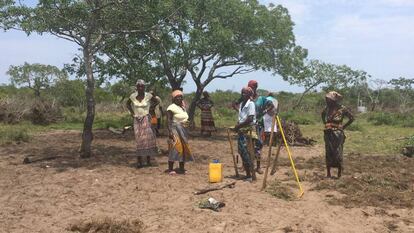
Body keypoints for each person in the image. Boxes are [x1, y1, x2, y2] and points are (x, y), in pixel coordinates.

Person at [126, 79, 159, 168]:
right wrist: (132, 114)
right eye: (139, 86)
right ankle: (139, 161)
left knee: (147, 140)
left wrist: (151, 109)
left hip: (146, 119)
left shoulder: (148, 95)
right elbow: (128, 104)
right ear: (136, 87)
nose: (140, 87)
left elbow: (157, 101)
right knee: (139, 140)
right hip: (137, 120)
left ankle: (148, 161)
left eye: (142, 86)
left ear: (144, 87)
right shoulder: (132, 96)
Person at [321, 91, 354, 178]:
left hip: (338, 133)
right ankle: (328, 173)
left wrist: (344, 126)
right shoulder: (327, 108)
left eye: (329, 99)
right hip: (328, 132)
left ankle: (339, 173)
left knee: (338, 151)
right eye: (327, 99)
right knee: (328, 151)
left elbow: (352, 118)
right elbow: (322, 114)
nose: (327, 101)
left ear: (334, 100)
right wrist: (325, 123)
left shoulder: (342, 108)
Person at [166, 90, 194, 175]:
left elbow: (185, 119)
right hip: (175, 129)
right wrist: (170, 132)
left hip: (183, 129)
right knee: (175, 147)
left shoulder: (183, 107)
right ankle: (170, 169)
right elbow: (168, 120)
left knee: (184, 148)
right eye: (177, 97)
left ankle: (182, 168)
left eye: (180, 96)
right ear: (174, 98)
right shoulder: (171, 107)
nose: (179, 98)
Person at [233, 87, 257, 181]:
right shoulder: (242, 104)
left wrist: (238, 126)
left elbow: (250, 119)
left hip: (248, 131)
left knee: (247, 153)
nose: (243, 95)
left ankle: (250, 175)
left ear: (249, 95)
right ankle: (247, 174)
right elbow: (234, 105)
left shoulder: (251, 104)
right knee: (242, 152)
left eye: (245, 93)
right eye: (242, 93)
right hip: (241, 131)